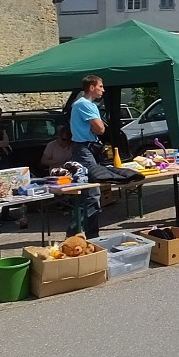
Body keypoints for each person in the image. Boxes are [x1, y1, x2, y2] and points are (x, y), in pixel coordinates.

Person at [69, 74, 106, 238]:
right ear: (91, 87)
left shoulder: (81, 104)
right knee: (92, 193)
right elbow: (100, 129)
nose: (103, 90)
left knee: (87, 192)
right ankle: (92, 235)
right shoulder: (85, 104)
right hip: (84, 149)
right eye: (100, 86)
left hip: (85, 148)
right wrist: (96, 127)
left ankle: (74, 234)